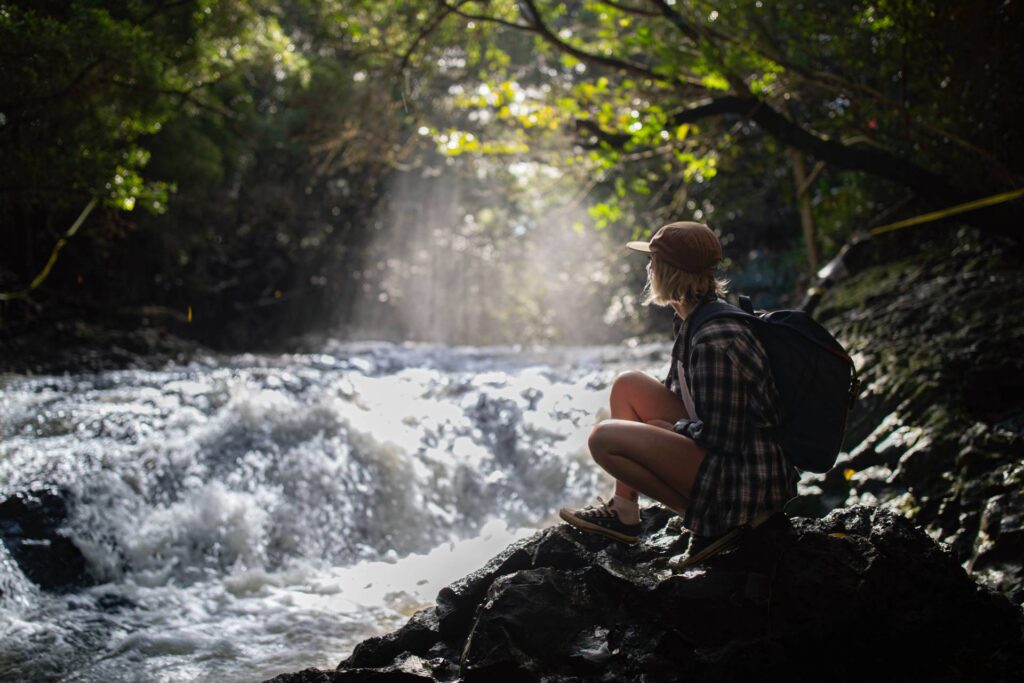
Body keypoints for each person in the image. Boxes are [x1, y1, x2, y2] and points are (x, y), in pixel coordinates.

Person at [558, 221, 797, 553]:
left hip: (745, 482)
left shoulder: (716, 338)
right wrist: (664, 429)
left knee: (604, 438)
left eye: (652, 262)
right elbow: (685, 399)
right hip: (729, 460)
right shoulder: (691, 319)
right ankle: (625, 510)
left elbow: (723, 437)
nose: (648, 268)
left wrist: (667, 429)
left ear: (667, 272)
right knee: (627, 385)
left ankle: (713, 525)